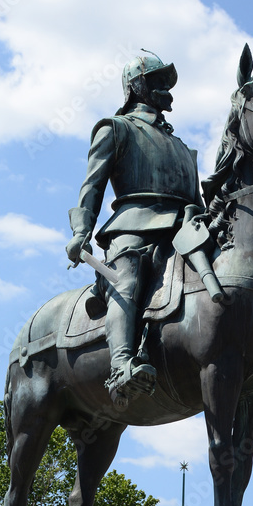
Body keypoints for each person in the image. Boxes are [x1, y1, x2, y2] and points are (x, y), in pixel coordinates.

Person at [66, 51, 202, 406]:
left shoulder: (184, 148)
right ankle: (122, 365)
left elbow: (197, 199)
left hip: (184, 227)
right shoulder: (115, 128)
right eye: (158, 82)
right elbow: (92, 185)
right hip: (135, 224)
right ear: (138, 86)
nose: (166, 90)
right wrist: (81, 232)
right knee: (126, 278)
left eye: (167, 84)